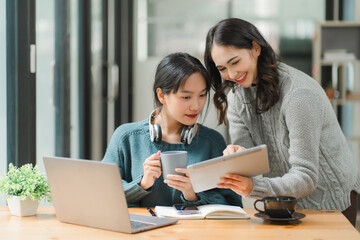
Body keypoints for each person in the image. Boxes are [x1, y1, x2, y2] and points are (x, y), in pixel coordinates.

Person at [204, 18, 360, 226]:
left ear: (256, 48)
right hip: (282, 202)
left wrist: (254, 188)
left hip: (330, 200)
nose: (232, 75)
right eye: (222, 68)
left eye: (235, 62)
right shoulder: (237, 97)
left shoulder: (299, 94)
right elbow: (251, 160)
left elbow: (305, 176)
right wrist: (238, 156)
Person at [102, 52, 243, 208]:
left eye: (202, 95)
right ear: (162, 95)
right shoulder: (126, 138)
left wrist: (192, 194)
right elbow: (102, 193)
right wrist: (142, 184)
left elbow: (233, 205)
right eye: (186, 97)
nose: (196, 106)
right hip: (142, 232)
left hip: (195, 233)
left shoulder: (212, 142)